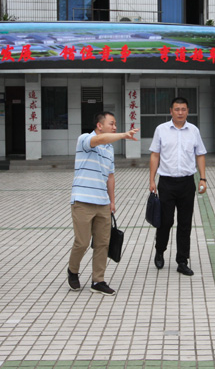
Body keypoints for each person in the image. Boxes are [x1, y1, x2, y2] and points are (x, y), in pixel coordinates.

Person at [67, 112, 139, 295]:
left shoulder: (109, 149)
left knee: (102, 243)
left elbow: (111, 176)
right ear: (99, 125)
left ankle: (98, 281)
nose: (115, 127)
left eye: (116, 124)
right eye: (111, 123)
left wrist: (112, 201)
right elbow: (100, 140)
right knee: (82, 242)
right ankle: (73, 270)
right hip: (82, 200)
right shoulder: (85, 139)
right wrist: (123, 135)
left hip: (102, 203)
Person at [149, 97, 207, 276]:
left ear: (188, 111)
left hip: (187, 182)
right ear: (171, 111)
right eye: (177, 109)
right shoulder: (161, 130)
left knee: (185, 223)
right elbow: (155, 155)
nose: (180, 112)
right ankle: (160, 250)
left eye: (183, 109)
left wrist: (203, 178)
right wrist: (152, 180)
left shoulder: (194, 131)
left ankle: (182, 260)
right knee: (165, 221)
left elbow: (200, 155)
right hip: (166, 182)